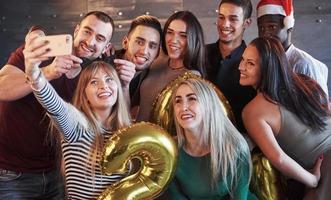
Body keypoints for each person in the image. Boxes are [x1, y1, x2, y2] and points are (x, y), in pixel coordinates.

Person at [0, 11, 118, 199]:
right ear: (76, 30)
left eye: (100, 38)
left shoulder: (89, 80)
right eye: (87, 31)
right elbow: (2, 88)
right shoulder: (40, 51)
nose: (90, 41)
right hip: (11, 173)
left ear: (106, 47)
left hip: (56, 175)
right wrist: (47, 72)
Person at [25, 46, 131, 199]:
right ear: (85, 94)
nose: (103, 85)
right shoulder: (77, 126)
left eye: (109, 79)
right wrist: (34, 74)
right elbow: (55, 105)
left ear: (118, 88)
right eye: (94, 82)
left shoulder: (129, 131)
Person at [239, 36, 331, 200]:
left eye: (250, 63)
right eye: (243, 60)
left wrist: (313, 180)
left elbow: (279, 159)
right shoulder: (304, 82)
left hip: (325, 170)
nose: (241, 67)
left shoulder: (252, 112)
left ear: (267, 68)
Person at [165, 78, 256, 199]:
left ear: (208, 104)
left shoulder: (235, 147)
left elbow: (240, 197)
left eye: (192, 99)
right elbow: (176, 197)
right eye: (178, 101)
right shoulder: (170, 150)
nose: (183, 108)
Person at [133, 10, 207, 122]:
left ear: (192, 39)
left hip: (159, 138)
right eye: (170, 32)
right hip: (136, 132)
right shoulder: (159, 57)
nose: (173, 40)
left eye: (183, 35)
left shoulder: (192, 76)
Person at [256, 0, 329, 97]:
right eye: (261, 28)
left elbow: (319, 108)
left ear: (289, 27)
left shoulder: (303, 64)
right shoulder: (264, 60)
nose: (265, 33)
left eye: (272, 27)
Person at [206, 0, 256, 133]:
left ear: (247, 23)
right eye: (221, 17)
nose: (224, 24)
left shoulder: (255, 63)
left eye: (233, 19)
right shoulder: (200, 54)